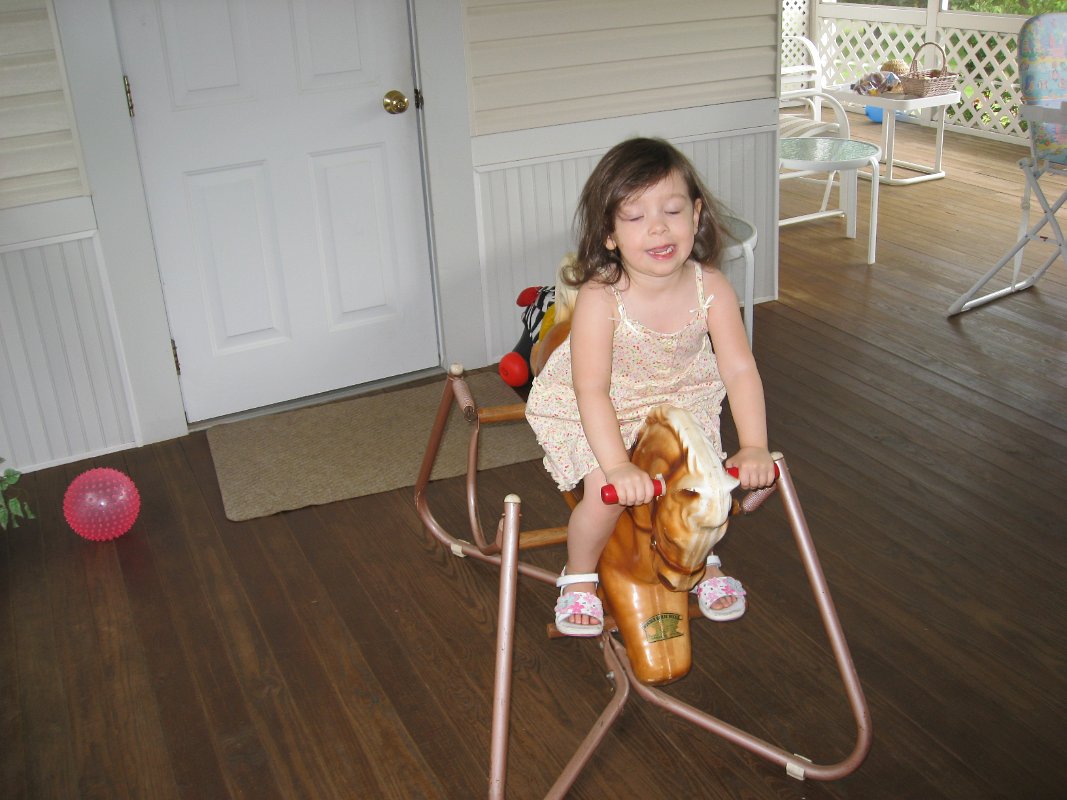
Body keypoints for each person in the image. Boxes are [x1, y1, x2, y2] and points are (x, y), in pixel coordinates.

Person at [525, 137, 776, 637]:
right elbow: (591, 388)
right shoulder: (601, 296)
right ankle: (579, 575)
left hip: (681, 398)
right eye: (636, 217)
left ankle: (701, 560)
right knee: (606, 495)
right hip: (604, 406)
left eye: (673, 211)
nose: (658, 228)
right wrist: (617, 464)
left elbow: (740, 370)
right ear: (610, 234)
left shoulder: (711, 287)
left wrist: (754, 445)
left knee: (702, 486)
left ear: (696, 216)